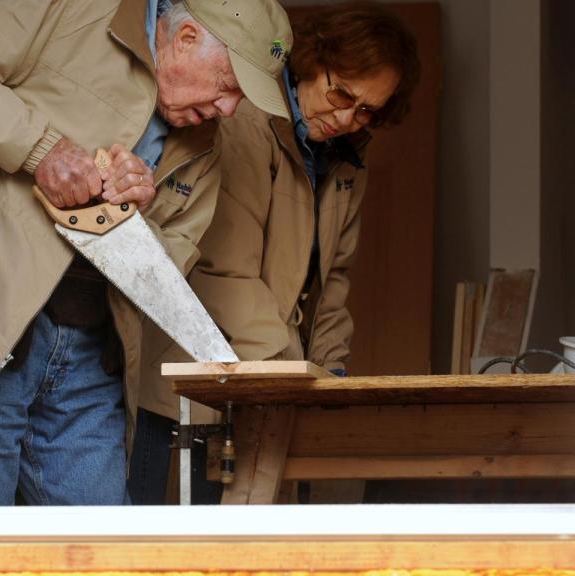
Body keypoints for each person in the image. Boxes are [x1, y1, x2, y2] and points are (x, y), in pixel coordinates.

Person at [0, 0, 292, 506]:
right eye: (228, 84)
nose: (230, 109)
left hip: (89, 353)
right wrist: (43, 149)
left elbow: (170, 261)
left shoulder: (205, 145)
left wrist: (135, 215)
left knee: (102, 544)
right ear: (187, 38)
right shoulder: (76, 12)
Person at [131, 0, 420, 504]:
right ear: (313, 59)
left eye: (368, 110)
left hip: (267, 377)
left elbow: (332, 284)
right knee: (169, 542)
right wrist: (296, 378)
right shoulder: (245, 120)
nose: (348, 118)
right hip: (194, 382)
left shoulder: (345, 161)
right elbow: (223, 275)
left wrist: (332, 381)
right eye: (341, 93)